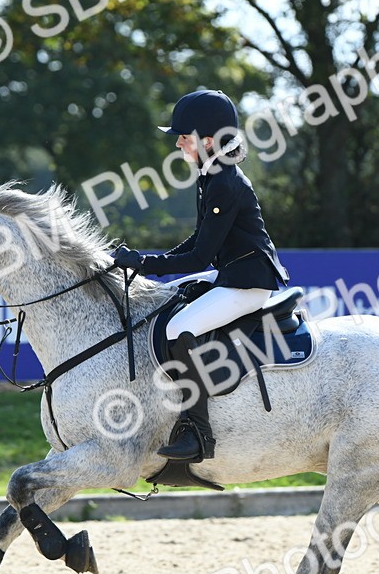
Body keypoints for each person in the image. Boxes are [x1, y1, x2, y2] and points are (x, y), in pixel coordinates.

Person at [113, 89, 289, 463]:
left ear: (207, 141)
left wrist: (145, 265)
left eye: (184, 136)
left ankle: (199, 433)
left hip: (248, 283)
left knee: (178, 330)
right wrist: (147, 262)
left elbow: (199, 256)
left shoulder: (224, 181)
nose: (177, 143)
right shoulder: (211, 174)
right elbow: (198, 240)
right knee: (161, 304)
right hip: (231, 274)